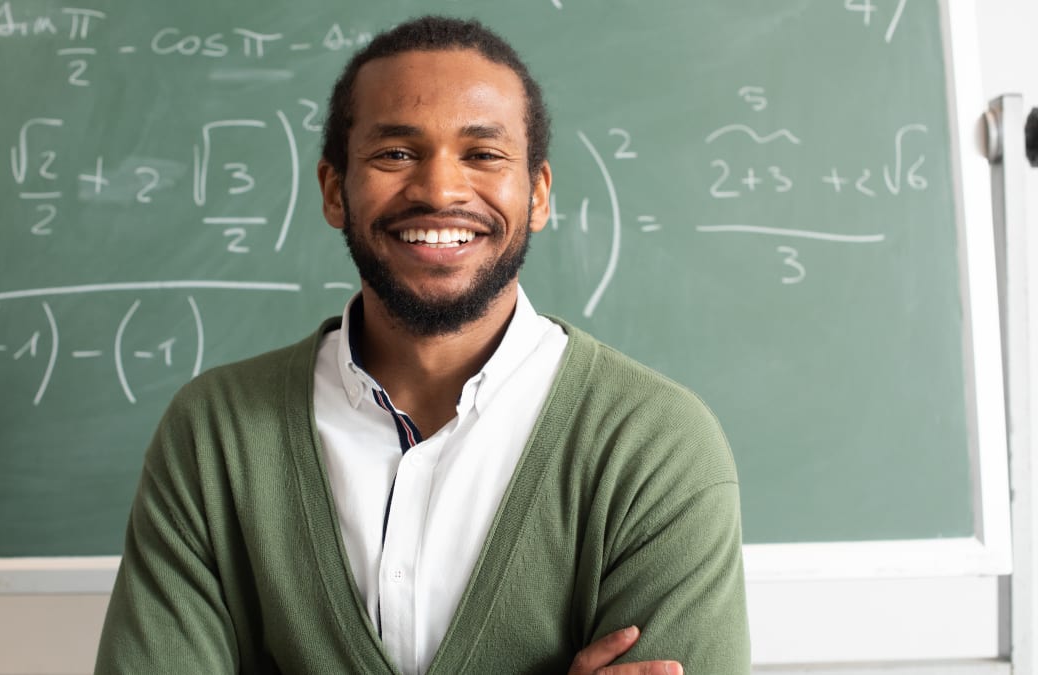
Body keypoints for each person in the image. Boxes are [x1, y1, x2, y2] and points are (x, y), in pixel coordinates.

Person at [95, 15, 749, 675]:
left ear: (539, 194)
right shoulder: (214, 434)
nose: (439, 190)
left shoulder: (654, 443)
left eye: (484, 154)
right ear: (333, 191)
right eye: (396, 154)